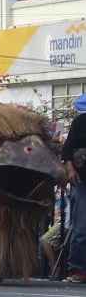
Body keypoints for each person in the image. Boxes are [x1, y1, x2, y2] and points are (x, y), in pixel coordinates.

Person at [61, 94, 86, 283]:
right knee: (81, 227)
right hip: (82, 181)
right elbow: (67, 150)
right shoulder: (80, 122)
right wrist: (70, 169)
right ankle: (77, 270)